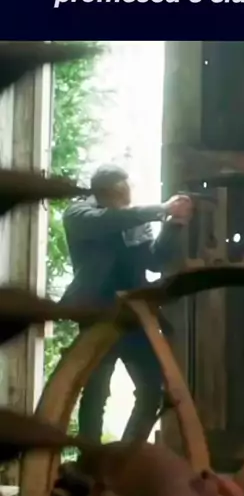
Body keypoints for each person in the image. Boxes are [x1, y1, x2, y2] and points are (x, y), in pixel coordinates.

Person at [60, 164, 193, 444]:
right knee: (96, 392)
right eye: (123, 188)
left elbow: (155, 260)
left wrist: (173, 225)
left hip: (134, 316)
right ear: (108, 190)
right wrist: (162, 209)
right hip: (97, 315)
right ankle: (91, 458)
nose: (128, 193)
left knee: (151, 390)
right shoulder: (78, 214)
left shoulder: (134, 219)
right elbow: (107, 221)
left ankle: (126, 454)